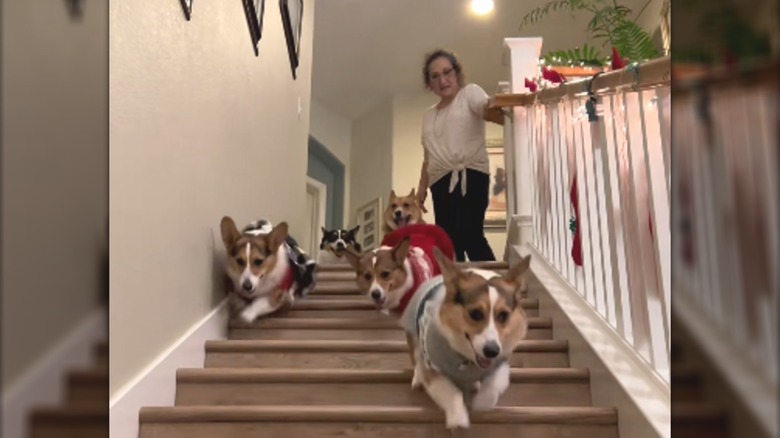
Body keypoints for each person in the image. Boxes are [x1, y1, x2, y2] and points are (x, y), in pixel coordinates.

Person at [416, 49, 504, 262]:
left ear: (457, 73)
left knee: (471, 235)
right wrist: (421, 189)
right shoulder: (428, 115)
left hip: (470, 173)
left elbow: (487, 109)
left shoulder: (469, 93)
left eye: (447, 72)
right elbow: (428, 156)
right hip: (439, 183)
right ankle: (459, 291)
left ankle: (493, 286)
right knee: (448, 242)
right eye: (435, 76)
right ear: (429, 83)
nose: (443, 80)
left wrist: (506, 110)